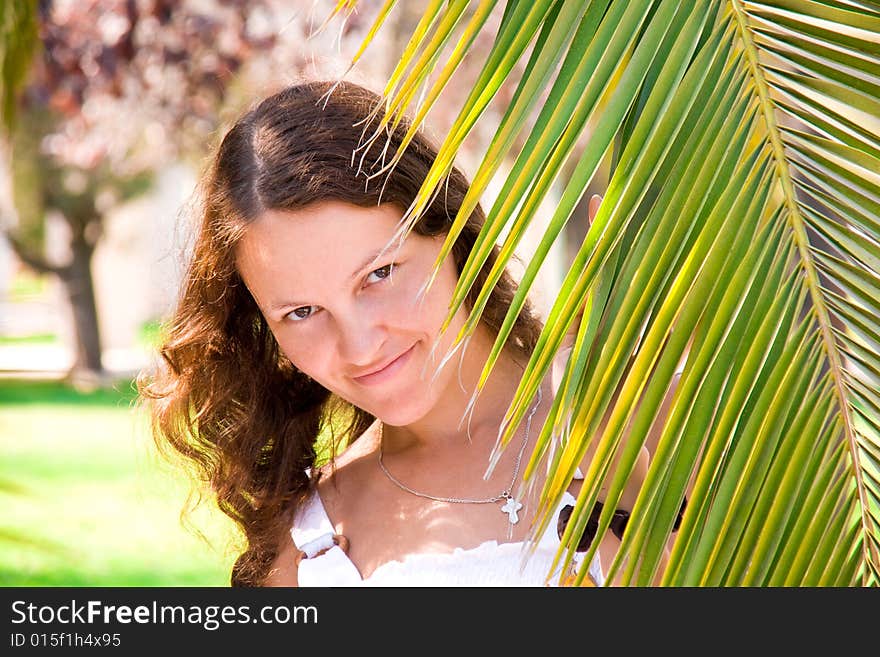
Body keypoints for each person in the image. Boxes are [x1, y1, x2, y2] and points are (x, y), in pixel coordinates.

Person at [138, 78, 661, 587]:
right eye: (302, 312)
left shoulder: (656, 414)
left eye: (380, 274)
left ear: (453, 235)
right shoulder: (307, 549)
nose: (361, 345)